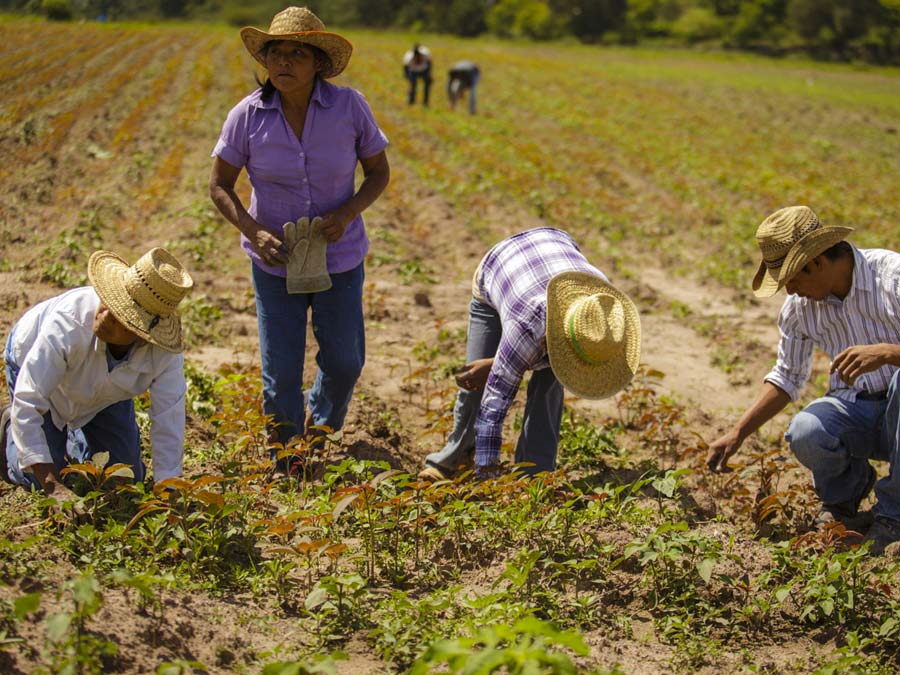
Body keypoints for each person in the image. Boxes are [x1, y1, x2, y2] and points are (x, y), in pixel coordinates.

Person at [208, 6, 390, 468]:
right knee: (281, 371)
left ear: (317, 64)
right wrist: (253, 229)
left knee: (346, 363)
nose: (285, 62)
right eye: (276, 53)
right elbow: (219, 185)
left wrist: (348, 212)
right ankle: (288, 456)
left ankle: (320, 427)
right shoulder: (246, 117)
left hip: (339, 258)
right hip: (275, 262)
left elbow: (378, 173)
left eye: (297, 53)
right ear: (265, 60)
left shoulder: (350, 107)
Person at [706, 205, 900, 555]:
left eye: (793, 280)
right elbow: (787, 376)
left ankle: (894, 516)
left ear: (818, 262)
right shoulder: (800, 310)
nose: (791, 292)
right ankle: (844, 497)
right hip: (864, 414)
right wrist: (738, 431)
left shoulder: (892, 277)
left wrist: (887, 352)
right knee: (808, 428)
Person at [418, 227, 641, 481]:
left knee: (549, 387)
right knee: (476, 382)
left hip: (554, 253)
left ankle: (535, 475)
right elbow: (495, 404)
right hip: (499, 269)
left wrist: (501, 363)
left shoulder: (603, 313)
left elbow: (549, 353)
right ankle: (452, 459)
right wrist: (487, 476)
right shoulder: (529, 325)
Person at [0, 248, 193, 508]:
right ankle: (7, 431)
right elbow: (29, 397)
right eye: (108, 301)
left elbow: (168, 423)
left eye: (120, 315)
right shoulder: (69, 322)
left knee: (125, 478)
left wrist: (168, 491)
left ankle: (65, 440)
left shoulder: (164, 358)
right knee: (37, 477)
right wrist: (52, 486)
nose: (103, 314)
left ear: (142, 333)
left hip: (104, 397)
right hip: (39, 373)